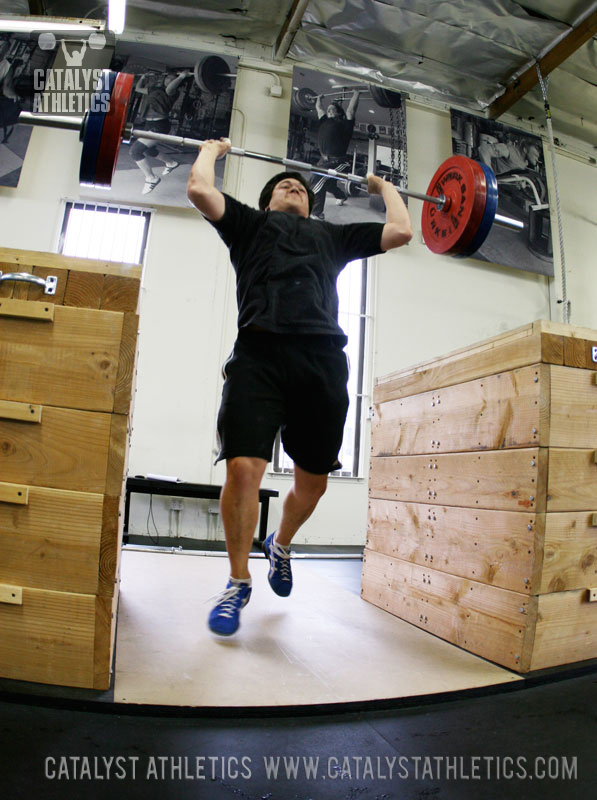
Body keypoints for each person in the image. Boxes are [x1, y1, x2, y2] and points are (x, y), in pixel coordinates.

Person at [187, 138, 412, 636]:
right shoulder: (249, 226)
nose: (293, 186)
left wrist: (384, 187)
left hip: (321, 363)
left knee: (313, 483)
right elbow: (200, 188)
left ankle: (280, 545)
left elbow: (401, 231)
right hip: (258, 355)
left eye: (301, 188)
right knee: (244, 468)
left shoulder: (330, 237)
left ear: (310, 206)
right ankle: (238, 581)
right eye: (282, 185)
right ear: (268, 200)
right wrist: (211, 149)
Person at [131, 70, 190, 194]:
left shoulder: (173, 92)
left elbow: (170, 88)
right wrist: (143, 76)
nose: (167, 79)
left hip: (160, 125)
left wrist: (182, 76)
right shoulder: (153, 89)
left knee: (135, 151)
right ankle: (171, 162)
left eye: (171, 78)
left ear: (176, 82)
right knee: (148, 149)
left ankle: (151, 178)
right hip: (148, 124)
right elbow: (138, 88)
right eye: (167, 77)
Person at [310, 89, 361, 219]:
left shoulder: (345, 124)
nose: (329, 111)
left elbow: (350, 110)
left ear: (338, 113)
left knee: (318, 179)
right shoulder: (324, 121)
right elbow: (319, 108)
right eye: (328, 110)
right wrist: (319, 99)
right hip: (324, 160)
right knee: (328, 184)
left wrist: (356, 94)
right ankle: (341, 196)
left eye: (332, 109)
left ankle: (317, 213)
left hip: (339, 161)